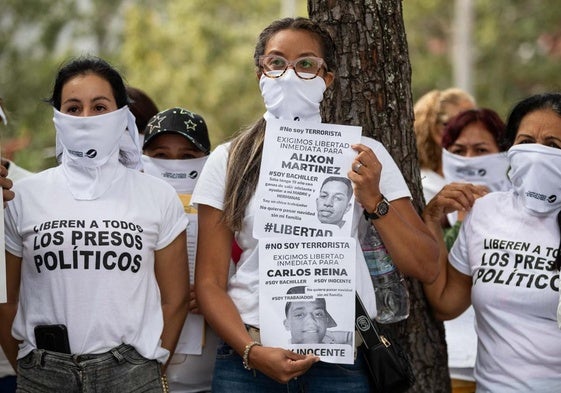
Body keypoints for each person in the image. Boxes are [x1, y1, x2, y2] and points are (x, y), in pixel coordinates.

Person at [192, 17, 439, 392]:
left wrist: (373, 200)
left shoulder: (364, 156)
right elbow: (209, 282)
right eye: (277, 63)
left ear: (328, 78)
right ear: (260, 72)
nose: (290, 75)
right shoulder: (229, 159)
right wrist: (251, 351)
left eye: (306, 64)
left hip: (341, 363)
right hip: (250, 360)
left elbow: (426, 263)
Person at [0, 56, 190, 392]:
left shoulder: (157, 196)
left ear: (121, 116)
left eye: (99, 107)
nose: (86, 118)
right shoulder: (21, 196)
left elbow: (174, 300)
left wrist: (148, 367)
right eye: (73, 108)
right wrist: (32, 370)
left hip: (131, 375)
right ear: (58, 117)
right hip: (43, 374)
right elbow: (6, 300)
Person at [422, 92, 561, 392]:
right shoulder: (484, 211)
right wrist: (431, 219)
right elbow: (445, 305)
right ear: (509, 150)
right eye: (526, 142)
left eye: (552, 145)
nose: (537, 153)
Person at [425, 108, 507, 393]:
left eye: (481, 149)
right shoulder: (432, 207)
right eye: (459, 150)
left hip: (507, 368)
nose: (470, 159)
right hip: (451, 362)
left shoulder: (522, 212)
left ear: (503, 153)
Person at [142, 107, 217, 393]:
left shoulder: (226, 214)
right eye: (160, 156)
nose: (174, 165)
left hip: (206, 379)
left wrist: (216, 295)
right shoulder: (124, 213)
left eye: (187, 157)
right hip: (136, 376)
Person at [414, 88, 476, 203]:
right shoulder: (423, 186)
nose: (475, 131)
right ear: (437, 130)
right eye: (461, 124)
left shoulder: (483, 174)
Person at [283, 286, 352, 345]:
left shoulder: (330, 337)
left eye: (318, 314)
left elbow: (353, 337)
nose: (311, 321)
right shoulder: (280, 347)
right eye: (299, 315)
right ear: (287, 324)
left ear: (326, 320)